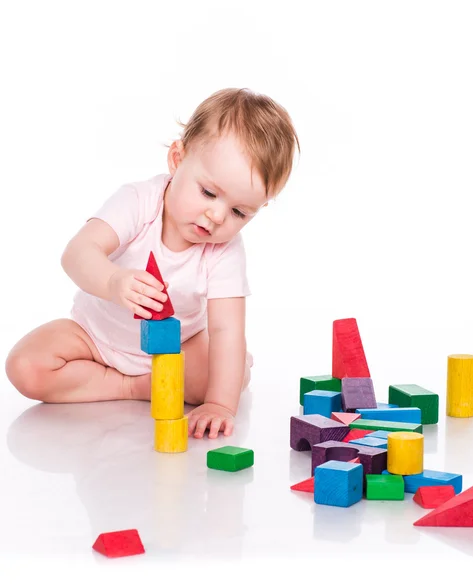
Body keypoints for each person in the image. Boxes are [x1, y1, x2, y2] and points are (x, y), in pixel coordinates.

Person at [5, 88, 300, 439]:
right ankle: (133, 386)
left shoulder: (226, 251)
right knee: (25, 367)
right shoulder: (138, 202)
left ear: (258, 209)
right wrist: (113, 282)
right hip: (94, 336)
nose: (218, 216)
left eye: (239, 212)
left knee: (229, 377)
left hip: (178, 349)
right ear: (177, 159)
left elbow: (226, 330)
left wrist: (220, 404)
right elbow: (77, 253)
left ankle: (175, 379)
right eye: (208, 192)